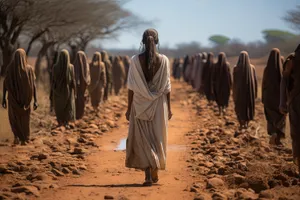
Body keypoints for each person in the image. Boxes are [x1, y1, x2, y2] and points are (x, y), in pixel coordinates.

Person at [125, 29, 172, 186]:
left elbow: (131, 87)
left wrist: (128, 107)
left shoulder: (135, 60)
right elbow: (167, 88)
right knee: (157, 137)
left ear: (142, 41)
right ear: (157, 41)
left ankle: (147, 175)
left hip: (139, 105)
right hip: (159, 106)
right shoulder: (164, 60)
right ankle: (155, 168)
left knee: (142, 139)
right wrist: (170, 108)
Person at [2, 48, 38, 145]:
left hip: (12, 100)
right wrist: (35, 100)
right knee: (25, 119)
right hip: (25, 100)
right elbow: (34, 85)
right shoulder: (29, 69)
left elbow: (5, 84)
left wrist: (3, 99)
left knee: (14, 118)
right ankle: (24, 139)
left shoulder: (10, 68)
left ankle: (16, 137)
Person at [279, 44, 300, 174]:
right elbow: (284, 81)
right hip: (296, 102)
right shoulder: (292, 59)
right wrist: (282, 102)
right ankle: (298, 163)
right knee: (297, 133)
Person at [262, 48, 286, 146]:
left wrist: (263, 98)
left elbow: (263, 84)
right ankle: (278, 138)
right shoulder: (283, 70)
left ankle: (273, 133)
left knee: (270, 117)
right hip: (279, 98)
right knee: (281, 117)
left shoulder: (266, 70)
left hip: (268, 98)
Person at [51, 49, 76, 128]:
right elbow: (73, 81)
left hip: (57, 91)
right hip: (68, 91)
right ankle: (66, 123)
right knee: (68, 107)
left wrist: (52, 91)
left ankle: (60, 122)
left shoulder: (55, 67)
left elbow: (53, 81)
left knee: (59, 107)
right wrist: (74, 92)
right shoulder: (71, 67)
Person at [233, 51, 257, 129]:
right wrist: (255, 92)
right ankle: (246, 123)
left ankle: (241, 123)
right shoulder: (252, 67)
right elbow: (255, 82)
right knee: (248, 107)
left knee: (239, 107)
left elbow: (235, 82)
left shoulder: (236, 68)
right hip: (249, 92)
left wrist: (234, 92)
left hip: (239, 93)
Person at [74, 51, 90, 119]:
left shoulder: (86, 66)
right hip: (79, 87)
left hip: (82, 87)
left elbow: (88, 76)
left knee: (81, 100)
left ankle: (80, 115)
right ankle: (78, 115)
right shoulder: (75, 65)